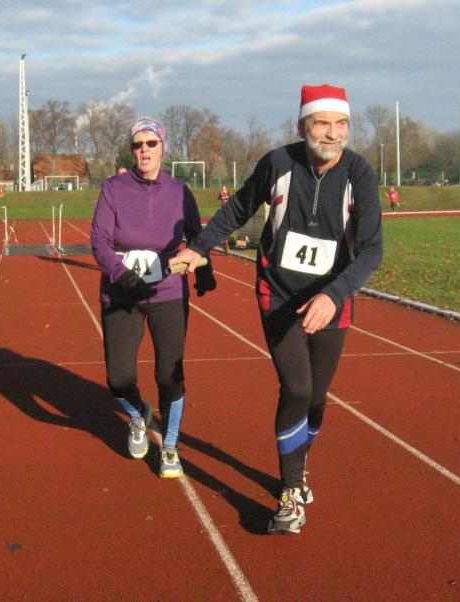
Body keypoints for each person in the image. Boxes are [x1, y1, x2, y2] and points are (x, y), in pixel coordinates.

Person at [170, 84, 383, 533]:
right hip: (280, 294)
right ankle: (289, 492)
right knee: (297, 388)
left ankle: (298, 466)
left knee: (318, 398)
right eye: (322, 124)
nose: (333, 133)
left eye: (341, 124)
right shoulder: (278, 163)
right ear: (303, 126)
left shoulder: (359, 173)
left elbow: (371, 250)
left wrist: (333, 295)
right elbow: (238, 210)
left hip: (332, 299)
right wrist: (198, 247)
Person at [91, 118, 216, 478]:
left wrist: (206, 268)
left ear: (163, 147)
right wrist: (122, 275)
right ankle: (137, 415)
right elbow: (99, 240)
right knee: (118, 378)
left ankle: (171, 447)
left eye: (151, 143)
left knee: (169, 374)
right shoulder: (114, 188)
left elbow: (197, 237)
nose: (144, 150)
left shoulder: (179, 191)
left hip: (167, 291)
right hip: (121, 292)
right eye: (137, 144)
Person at [218, 185, 230, 254]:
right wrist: (221, 194)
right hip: (223, 209)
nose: (223, 189)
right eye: (222, 188)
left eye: (224, 188)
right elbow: (219, 198)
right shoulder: (221, 194)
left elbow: (230, 199)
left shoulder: (228, 193)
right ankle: (225, 244)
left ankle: (225, 244)